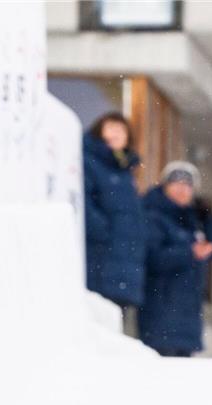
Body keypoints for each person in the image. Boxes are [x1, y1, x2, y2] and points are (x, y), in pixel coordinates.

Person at [138, 162, 212, 357]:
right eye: (176, 183)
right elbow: (153, 258)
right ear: (164, 185)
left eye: (187, 185)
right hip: (159, 315)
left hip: (188, 318)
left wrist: (209, 219)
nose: (182, 189)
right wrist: (189, 253)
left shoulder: (193, 222)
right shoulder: (152, 215)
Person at [82, 112, 145, 308]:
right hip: (98, 260)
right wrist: (103, 231)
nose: (116, 133)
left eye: (121, 130)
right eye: (111, 128)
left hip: (123, 266)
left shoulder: (126, 174)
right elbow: (84, 202)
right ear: (99, 132)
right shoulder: (89, 162)